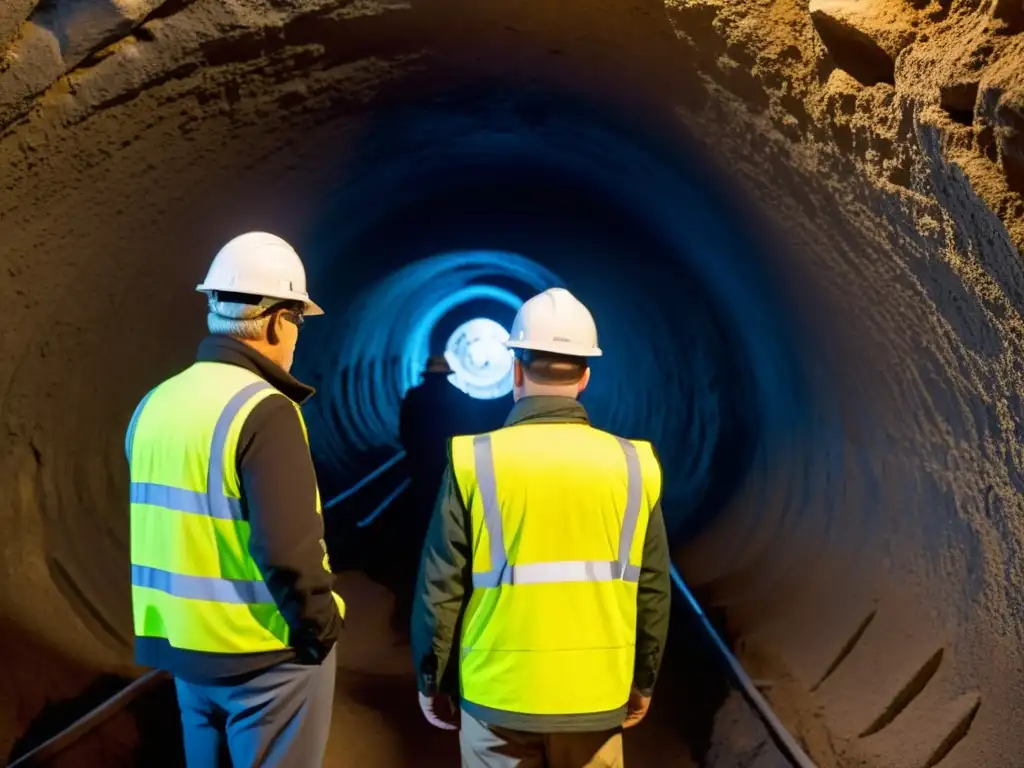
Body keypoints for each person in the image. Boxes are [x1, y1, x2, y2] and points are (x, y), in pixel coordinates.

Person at [411, 287, 672, 767]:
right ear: (586, 377)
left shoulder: (475, 460)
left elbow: (440, 588)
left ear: (514, 369)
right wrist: (644, 681)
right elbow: (652, 589)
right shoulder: (634, 464)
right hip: (596, 698)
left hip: (498, 696)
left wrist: (432, 680)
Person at [125, 232, 345, 767]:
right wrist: (322, 626)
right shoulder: (264, 410)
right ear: (275, 322)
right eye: (297, 321)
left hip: (183, 650)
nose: (296, 337)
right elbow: (286, 550)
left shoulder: (154, 404)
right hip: (262, 657)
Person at [392, 354, 476, 635]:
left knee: (420, 521)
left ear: (426, 374)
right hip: (449, 469)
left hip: (420, 469)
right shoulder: (460, 398)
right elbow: (469, 433)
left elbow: (403, 432)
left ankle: (418, 571)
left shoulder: (414, 397)